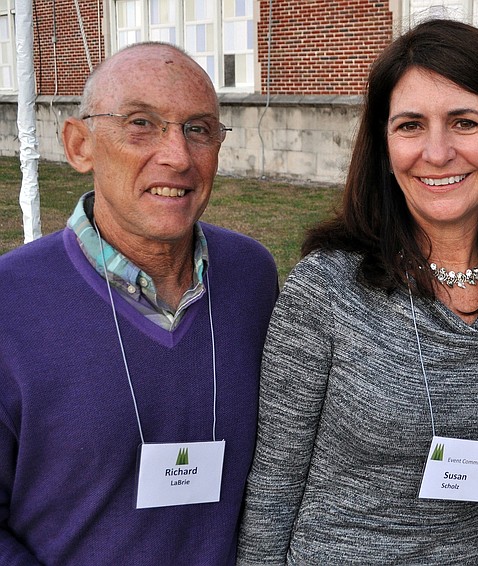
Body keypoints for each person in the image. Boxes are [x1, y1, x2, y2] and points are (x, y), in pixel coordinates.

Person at [237, 18, 478, 565]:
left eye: (464, 122)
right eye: (410, 125)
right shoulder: (327, 288)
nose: (436, 153)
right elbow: (275, 477)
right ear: (385, 148)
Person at [0, 42, 278, 565]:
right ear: (80, 145)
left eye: (198, 129)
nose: (177, 156)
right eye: (141, 123)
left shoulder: (251, 278)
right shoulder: (10, 302)